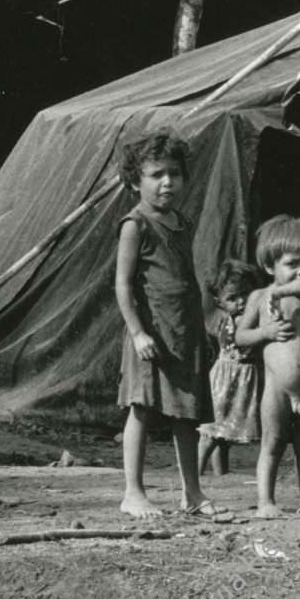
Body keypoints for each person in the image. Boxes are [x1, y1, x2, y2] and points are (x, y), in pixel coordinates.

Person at [115, 131, 213, 519]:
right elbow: (122, 284)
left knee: (186, 413)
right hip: (151, 335)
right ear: (135, 181)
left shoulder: (182, 222)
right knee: (141, 408)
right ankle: (132, 493)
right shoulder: (135, 225)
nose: (167, 182)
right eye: (156, 174)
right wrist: (138, 332)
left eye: (174, 173)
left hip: (184, 334)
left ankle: (192, 492)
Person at [238, 216, 300, 520]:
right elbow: (241, 336)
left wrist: (282, 291)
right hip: (276, 388)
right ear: (269, 266)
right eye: (292, 263)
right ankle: (266, 501)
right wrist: (265, 333)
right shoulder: (258, 297)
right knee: (272, 444)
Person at [199, 259, 265, 477]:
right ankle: (194, 474)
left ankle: (221, 475)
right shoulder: (236, 321)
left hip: (242, 378)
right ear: (220, 302)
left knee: (223, 435)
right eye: (232, 298)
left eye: (246, 294)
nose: (241, 301)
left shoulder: (244, 318)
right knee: (212, 433)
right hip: (227, 380)